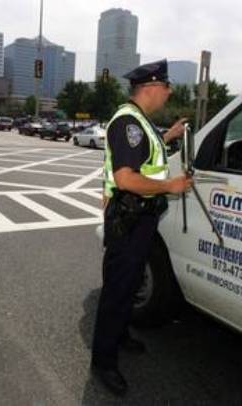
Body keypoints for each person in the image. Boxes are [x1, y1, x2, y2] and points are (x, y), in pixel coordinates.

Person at [90, 59, 192, 396]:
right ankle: (104, 360)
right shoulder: (128, 123)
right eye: (167, 86)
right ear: (151, 87)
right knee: (118, 289)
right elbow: (125, 178)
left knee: (131, 283)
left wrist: (169, 135)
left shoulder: (141, 123)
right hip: (128, 219)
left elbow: (143, 153)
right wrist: (169, 186)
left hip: (140, 218)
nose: (169, 92)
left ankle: (119, 335)